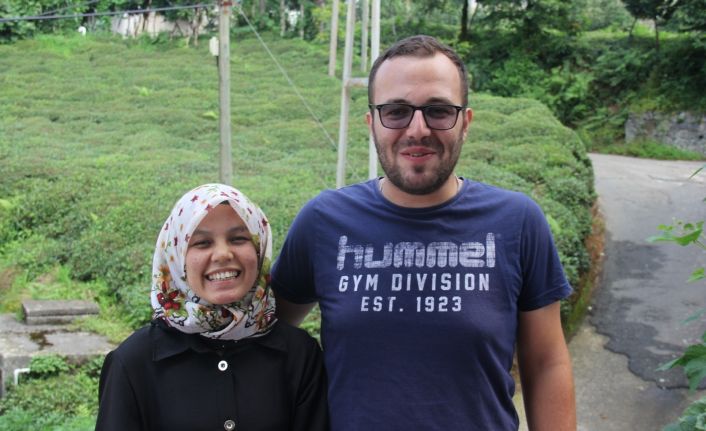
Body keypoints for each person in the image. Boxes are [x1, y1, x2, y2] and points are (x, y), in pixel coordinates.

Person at [271, 35, 576, 430]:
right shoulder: (323, 221)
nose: (417, 129)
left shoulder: (517, 221)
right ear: (372, 123)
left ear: (465, 123)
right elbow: (264, 334)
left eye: (439, 110)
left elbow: (547, 363)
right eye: (396, 111)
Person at [96, 183, 329, 431]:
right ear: (176, 257)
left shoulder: (299, 355)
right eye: (202, 243)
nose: (222, 254)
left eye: (238, 239)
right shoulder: (133, 362)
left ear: (259, 249)